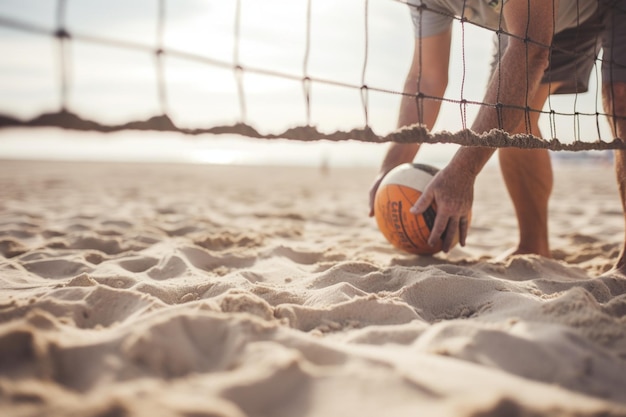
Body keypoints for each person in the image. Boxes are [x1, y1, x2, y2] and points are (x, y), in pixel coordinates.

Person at [369, 0, 626, 272]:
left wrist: (463, 171)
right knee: (510, 120)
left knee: (621, 99)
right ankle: (533, 245)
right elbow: (426, 79)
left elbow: (530, 52)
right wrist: (391, 167)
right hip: (542, 17)